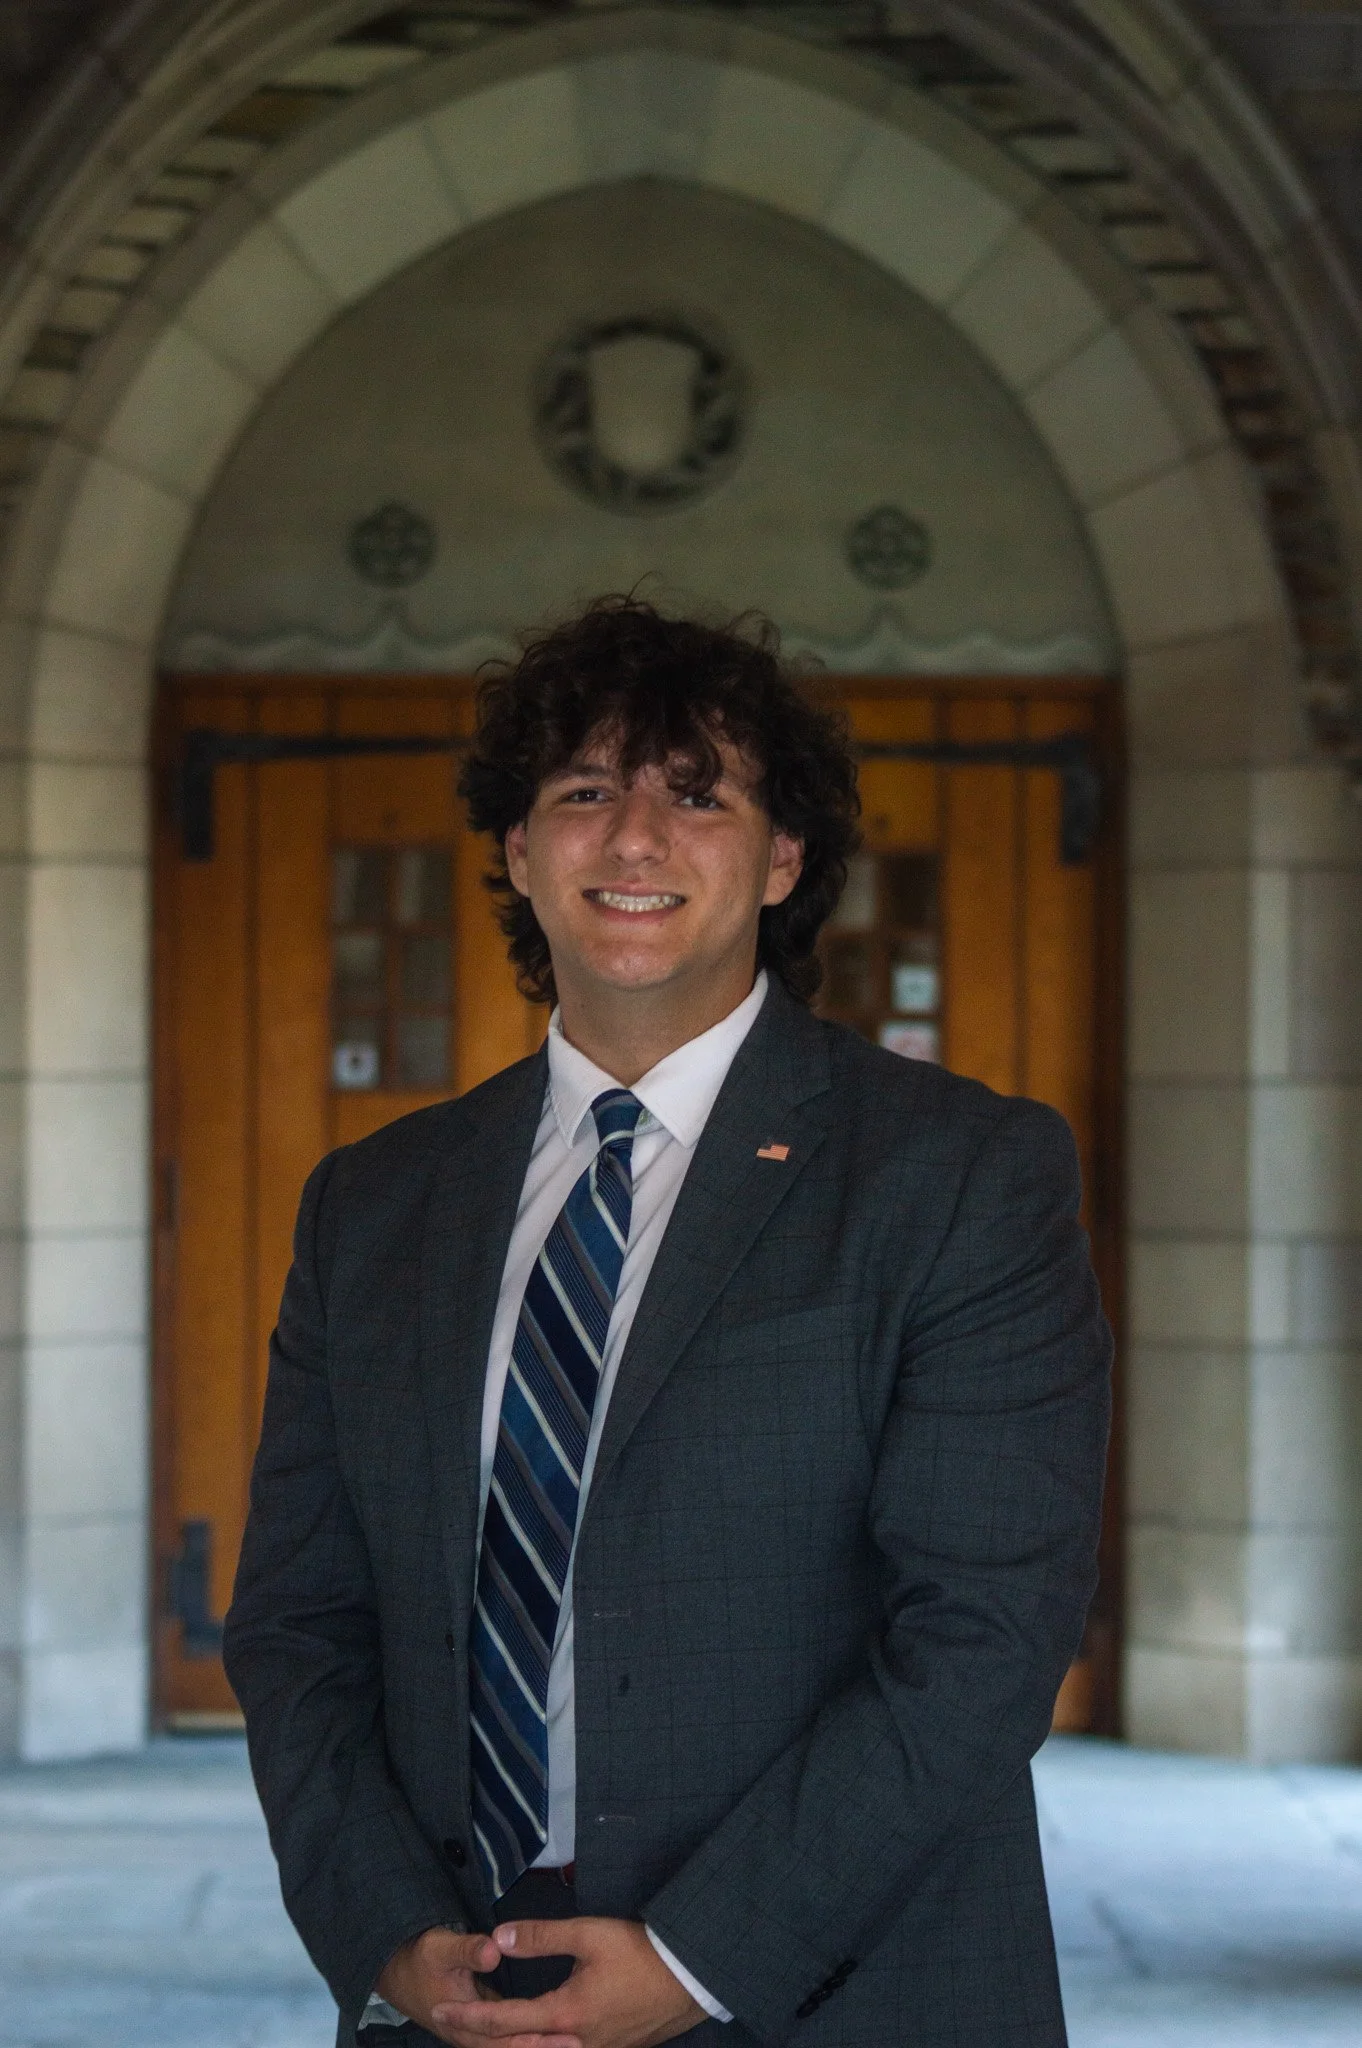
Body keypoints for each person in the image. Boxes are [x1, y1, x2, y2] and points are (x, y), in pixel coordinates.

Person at [224, 596, 1111, 2048]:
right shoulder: (371, 1204)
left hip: (833, 1994)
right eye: (585, 792)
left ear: (783, 857)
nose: (634, 841)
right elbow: (296, 1625)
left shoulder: (958, 1174)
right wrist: (386, 1938)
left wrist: (696, 1961)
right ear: (519, 850)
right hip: (451, 1994)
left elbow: (985, 1633)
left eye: (697, 797)